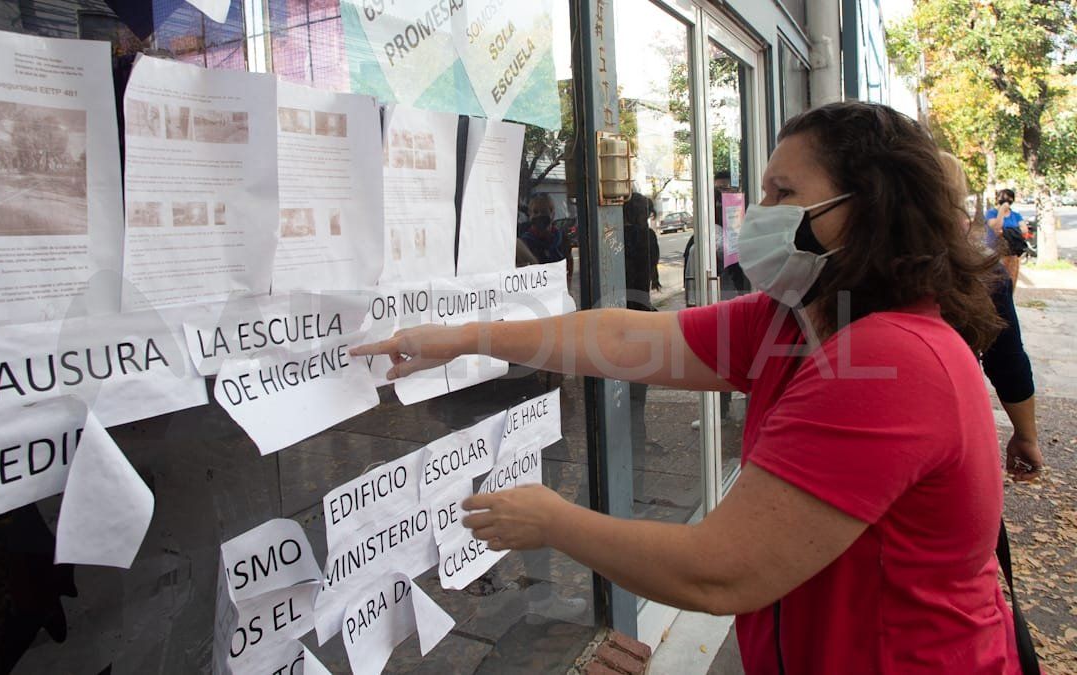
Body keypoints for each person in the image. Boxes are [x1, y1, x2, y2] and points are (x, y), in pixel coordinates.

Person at [355, 102, 1025, 673]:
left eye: (782, 193)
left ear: (866, 207)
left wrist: (552, 519)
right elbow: (623, 340)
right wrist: (466, 338)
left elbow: (720, 568)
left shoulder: (889, 359)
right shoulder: (801, 318)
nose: (758, 214)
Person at [940, 153, 1044, 480]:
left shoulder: (854, 268)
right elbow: (1008, 360)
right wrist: (1026, 436)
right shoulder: (982, 271)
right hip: (956, 425)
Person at [520, 193, 574, 283]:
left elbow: (569, 269)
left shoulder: (562, 239)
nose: (539, 216)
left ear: (552, 214)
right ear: (530, 214)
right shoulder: (524, 244)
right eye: (535, 212)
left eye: (544, 212)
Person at [622, 192, 660, 311]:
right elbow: (653, 261)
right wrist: (655, 278)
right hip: (640, 294)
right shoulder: (648, 235)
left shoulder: (618, 234)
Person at [986, 188, 1028, 289]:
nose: (1006, 199)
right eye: (1003, 197)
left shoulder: (1016, 215)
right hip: (995, 252)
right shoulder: (991, 213)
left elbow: (1024, 229)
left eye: (1009, 197)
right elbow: (996, 227)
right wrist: (1001, 211)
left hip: (1012, 253)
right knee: (996, 283)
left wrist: (1005, 232)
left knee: (1011, 282)